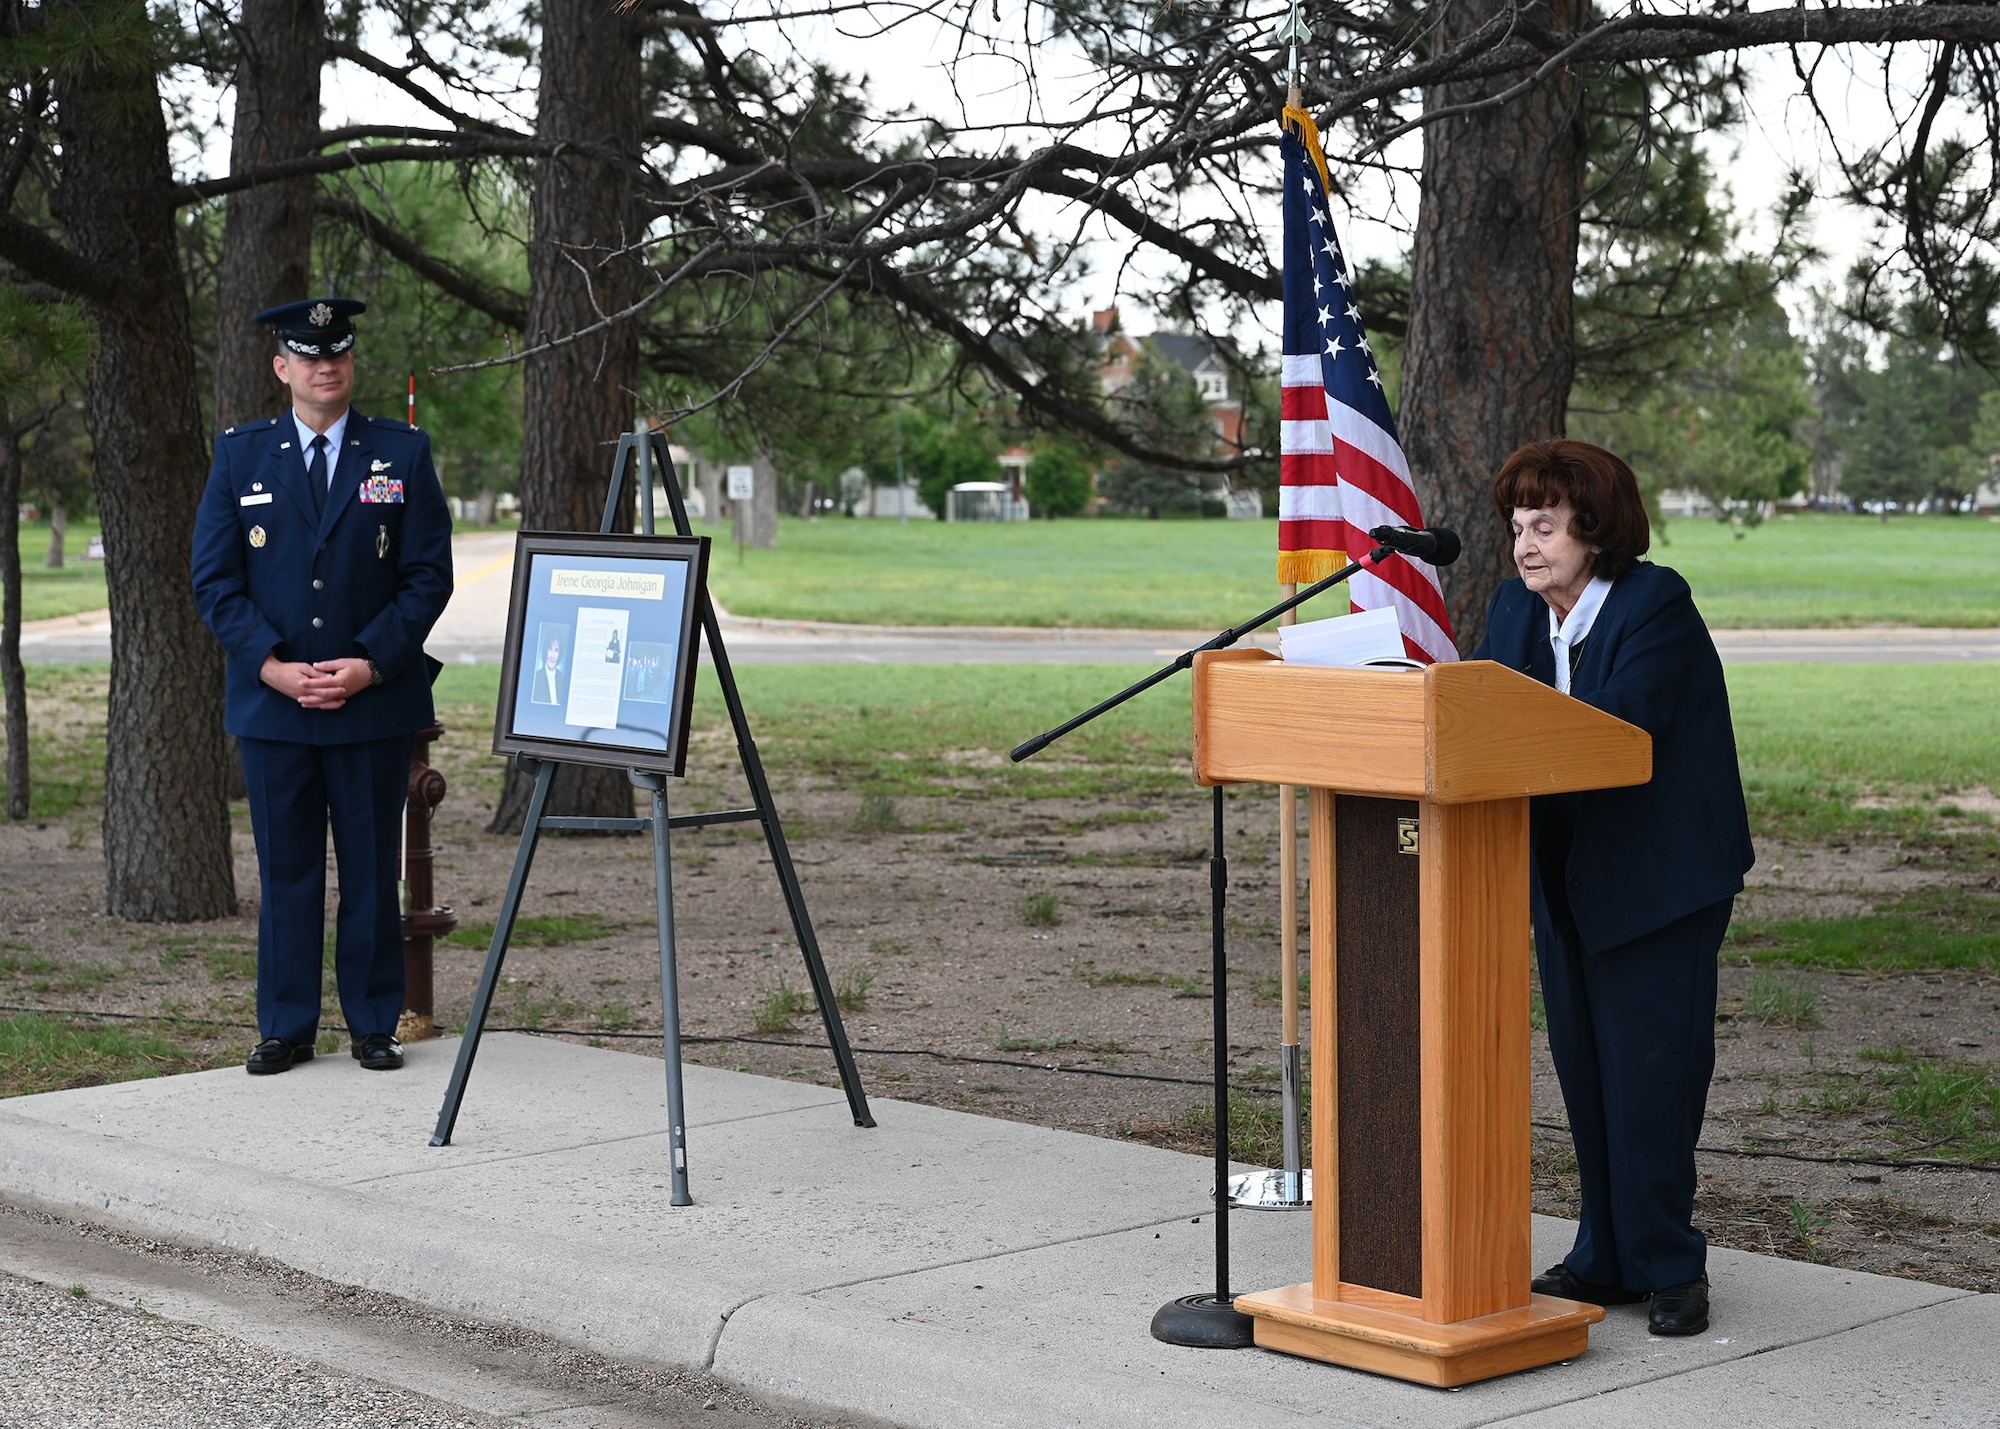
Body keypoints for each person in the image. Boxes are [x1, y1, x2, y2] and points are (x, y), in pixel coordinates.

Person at [1471, 439, 1754, 1337]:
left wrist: (1506, 721)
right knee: (1588, 1071)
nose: (1525, 544)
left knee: (1653, 1075)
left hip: (1660, 879)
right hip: (1565, 879)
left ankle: (1670, 1261)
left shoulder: (1654, 602)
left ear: (1594, 529)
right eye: (1518, 526)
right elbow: (1478, 710)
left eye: (1545, 524)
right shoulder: (1515, 612)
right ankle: (1605, 1251)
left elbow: (1621, 729)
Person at [191, 297, 453, 1075]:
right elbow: (215, 581)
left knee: (372, 872)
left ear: (350, 362)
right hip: (275, 705)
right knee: (289, 874)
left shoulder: (401, 453)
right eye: (307, 355)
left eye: (336, 352)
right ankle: (286, 1026)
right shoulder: (240, 456)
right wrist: (269, 663)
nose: (324, 365)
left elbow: (427, 575)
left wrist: (371, 661)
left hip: (371, 703)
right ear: (283, 368)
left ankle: (375, 1022)